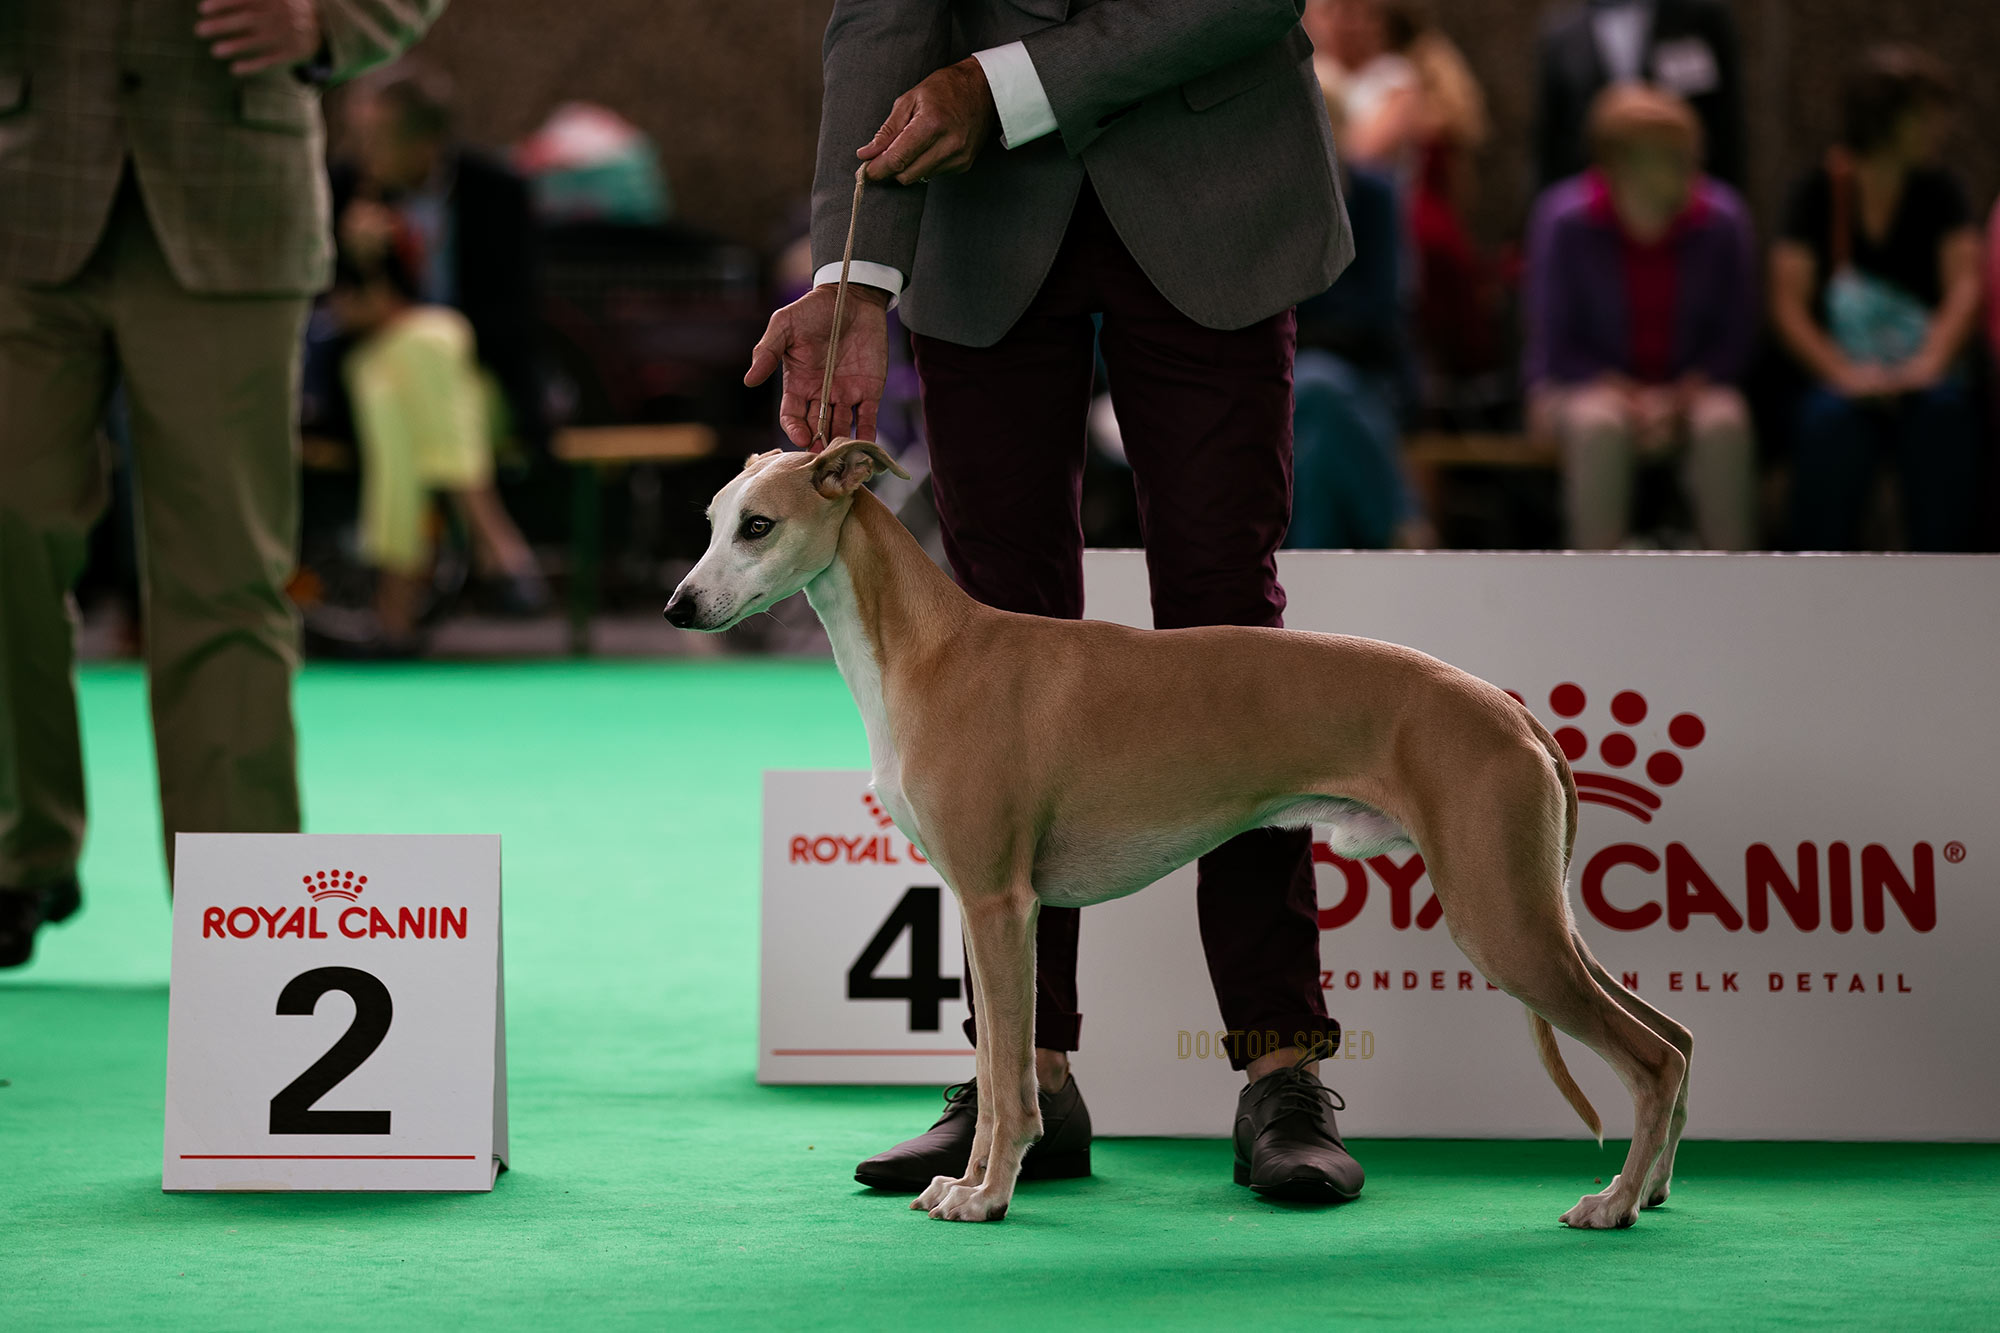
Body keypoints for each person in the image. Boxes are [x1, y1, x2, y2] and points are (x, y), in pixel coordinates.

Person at [749, 0, 1365, 1203]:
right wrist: (852, 272)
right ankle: (1019, 1079)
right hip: (980, 228)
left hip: (1216, 190)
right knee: (983, 633)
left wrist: (1005, 87)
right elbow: (879, 20)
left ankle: (1277, 1068)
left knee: (1227, 633)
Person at [0, 0, 442, 968]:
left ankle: (240, 906)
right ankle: (18, 846)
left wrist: (331, 21)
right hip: (20, 187)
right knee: (6, 534)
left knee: (225, 570)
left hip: (230, 196)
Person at [1524, 85, 1757, 550]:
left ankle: (1735, 587)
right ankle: (1595, 584)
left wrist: (1684, 392)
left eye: (1691, 153)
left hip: (1692, 390)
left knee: (1725, 424)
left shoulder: (1723, 220)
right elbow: (1554, 344)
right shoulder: (1562, 220)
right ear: (1620, 162)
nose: (1689, 167)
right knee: (1601, 426)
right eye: (1671, 155)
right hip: (1582, 388)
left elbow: (1738, 337)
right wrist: (1623, 393)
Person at [1770, 47, 1984, 552]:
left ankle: (1945, 592)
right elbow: (1789, 306)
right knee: (1829, 427)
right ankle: (1814, 587)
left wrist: (1929, 364)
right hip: (1840, 378)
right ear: (1888, 119)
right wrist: (1844, 375)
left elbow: (1965, 288)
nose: (1942, 129)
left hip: (1925, 378)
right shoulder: (1815, 194)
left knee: (1944, 421)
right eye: (1928, 115)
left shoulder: (1941, 192)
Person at [320, 227, 542, 647]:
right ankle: (496, 543)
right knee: (398, 434)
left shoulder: (437, 328)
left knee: (424, 343)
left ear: (381, 287)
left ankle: (394, 609)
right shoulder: (358, 358)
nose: (335, 306)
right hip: (435, 443)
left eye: (346, 293)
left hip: (485, 425)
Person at [1289, 79, 1428, 550]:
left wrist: (1311, 327)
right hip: (1286, 372)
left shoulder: (1374, 196)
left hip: (1368, 371)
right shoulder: (1274, 207)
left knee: (1315, 392)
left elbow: (1381, 310)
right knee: (1313, 435)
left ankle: (1308, 575)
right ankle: (1400, 521)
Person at [1534, 0, 1745, 190]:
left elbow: (1727, 125)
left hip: (1688, 208)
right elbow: (1549, 146)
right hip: (1589, 214)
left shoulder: (1701, 20)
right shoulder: (1561, 34)